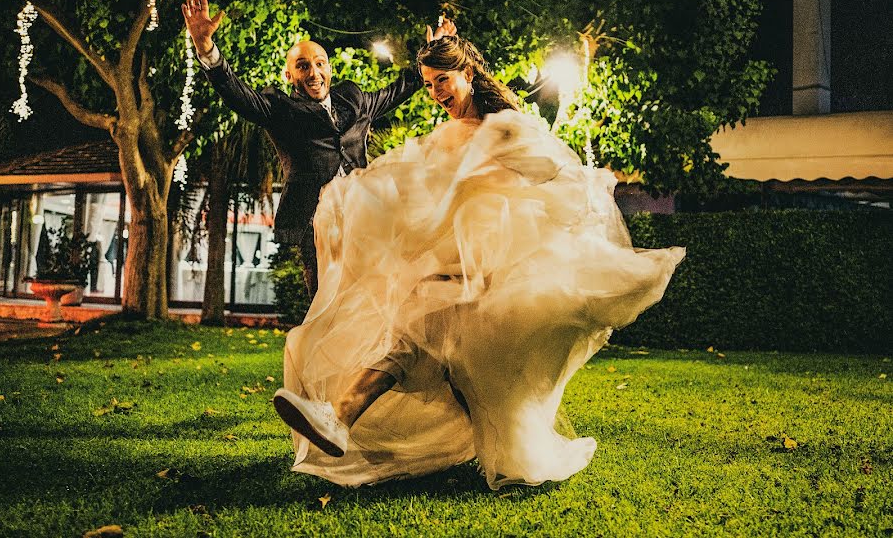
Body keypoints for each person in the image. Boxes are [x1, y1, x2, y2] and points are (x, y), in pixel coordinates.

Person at [273, 35, 686, 490]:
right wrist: (349, 202)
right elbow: (411, 186)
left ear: (468, 74)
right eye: (429, 85)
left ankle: (346, 418)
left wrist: (574, 183)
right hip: (450, 269)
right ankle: (347, 419)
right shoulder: (447, 134)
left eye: (443, 81)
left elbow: (552, 174)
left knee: (430, 348)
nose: (436, 93)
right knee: (427, 349)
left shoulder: (504, 127)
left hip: (491, 273)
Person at [181, 0, 457, 297]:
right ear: (289, 74)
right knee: (327, 305)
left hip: (365, 217)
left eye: (319, 63)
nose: (314, 73)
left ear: (329, 69)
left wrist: (433, 51)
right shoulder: (279, 109)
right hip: (315, 225)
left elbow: (400, 89)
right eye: (303, 66)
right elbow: (236, 92)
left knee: (374, 301)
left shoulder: (353, 99)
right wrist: (206, 48)